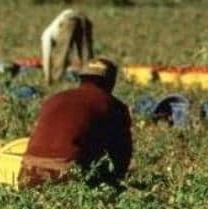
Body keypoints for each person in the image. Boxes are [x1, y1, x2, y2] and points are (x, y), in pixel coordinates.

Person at [22, 58, 132, 186]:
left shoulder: (55, 98)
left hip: (28, 169)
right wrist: (116, 180)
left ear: (81, 78)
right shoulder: (113, 105)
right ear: (111, 82)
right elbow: (121, 152)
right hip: (66, 172)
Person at [41, 9, 93, 84]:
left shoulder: (45, 36)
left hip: (69, 19)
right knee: (86, 53)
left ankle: (56, 80)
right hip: (83, 16)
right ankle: (91, 77)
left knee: (62, 54)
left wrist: (48, 79)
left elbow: (46, 59)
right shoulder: (53, 30)